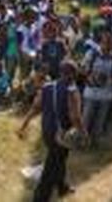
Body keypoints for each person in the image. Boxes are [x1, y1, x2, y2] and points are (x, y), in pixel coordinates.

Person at [17, 60, 85, 202]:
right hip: (62, 135)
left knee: (60, 159)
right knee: (51, 167)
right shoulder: (72, 91)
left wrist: (24, 125)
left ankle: (62, 187)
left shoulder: (47, 87)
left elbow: (35, 108)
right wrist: (83, 132)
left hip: (47, 131)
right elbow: (75, 117)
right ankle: (39, 198)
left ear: (60, 72)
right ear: (73, 74)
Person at [81, 31, 112, 147]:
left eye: (110, 43)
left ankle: (95, 142)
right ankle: (82, 141)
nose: (108, 45)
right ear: (101, 43)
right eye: (106, 42)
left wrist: (108, 80)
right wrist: (92, 78)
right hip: (91, 93)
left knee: (100, 121)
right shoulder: (91, 54)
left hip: (106, 95)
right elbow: (83, 71)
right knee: (86, 119)